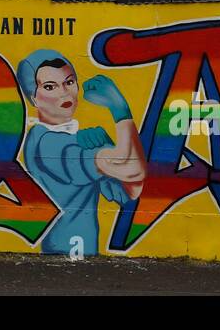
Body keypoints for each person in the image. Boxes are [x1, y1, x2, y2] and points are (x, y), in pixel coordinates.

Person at [19, 50, 146, 256]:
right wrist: (120, 110)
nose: (64, 93)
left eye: (69, 82)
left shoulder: (74, 139)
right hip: (63, 255)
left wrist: (105, 146)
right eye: (50, 87)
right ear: (34, 99)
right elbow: (133, 170)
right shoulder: (46, 143)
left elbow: (131, 191)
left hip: (85, 254)